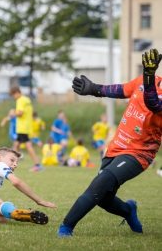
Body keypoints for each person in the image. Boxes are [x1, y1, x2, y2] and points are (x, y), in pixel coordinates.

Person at [57, 48, 162, 237]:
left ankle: (66, 227)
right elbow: (121, 90)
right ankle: (129, 210)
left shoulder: (149, 82)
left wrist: (148, 75)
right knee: (103, 198)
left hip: (139, 153)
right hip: (116, 148)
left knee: (99, 184)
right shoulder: (146, 80)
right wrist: (94, 89)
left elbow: (153, 102)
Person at [9, 86, 43, 172]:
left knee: (28, 145)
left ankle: (37, 165)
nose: (14, 98)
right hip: (27, 125)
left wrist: (12, 115)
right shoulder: (27, 99)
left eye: (13, 96)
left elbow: (21, 113)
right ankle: (12, 164)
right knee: (16, 144)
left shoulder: (20, 100)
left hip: (22, 127)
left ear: (16, 92)